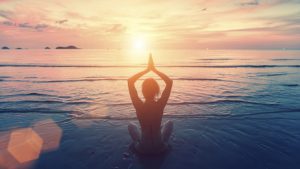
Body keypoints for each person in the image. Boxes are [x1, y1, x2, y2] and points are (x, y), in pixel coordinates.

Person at [127, 54, 173, 154]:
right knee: (169, 123)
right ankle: (159, 135)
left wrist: (147, 70)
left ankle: (137, 142)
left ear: (142, 91)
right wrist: (154, 69)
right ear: (156, 91)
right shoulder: (160, 104)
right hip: (160, 147)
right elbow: (169, 82)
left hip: (143, 149)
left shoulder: (139, 106)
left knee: (131, 125)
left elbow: (130, 81)